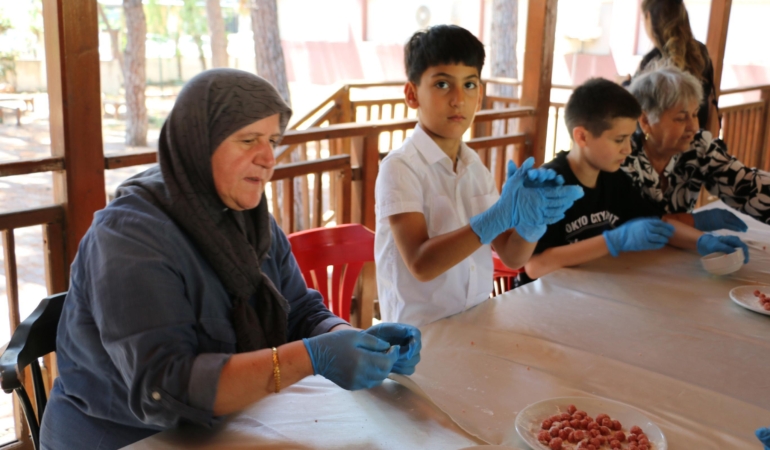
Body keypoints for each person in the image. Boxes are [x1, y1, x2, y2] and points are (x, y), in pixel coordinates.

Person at [40, 69, 422, 450]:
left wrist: (349, 339)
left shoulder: (250, 221)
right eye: (248, 140)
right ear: (197, 144)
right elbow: (166, 387)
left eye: (272, 139)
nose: (269, 157)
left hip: (223, 424)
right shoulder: (128, 237)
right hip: (121, 434)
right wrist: (310, 358)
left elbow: (299, 310)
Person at [374, 25, 583, 327]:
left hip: (477, 322)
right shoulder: (400, 166)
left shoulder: (474, 166)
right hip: (418, 337)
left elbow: (512, 257)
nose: (459, 99)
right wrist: (494, 218)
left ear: (480, 95)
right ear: (412, 94)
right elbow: (420, 263)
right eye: (443, 84)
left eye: (469, 85)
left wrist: (531, 225)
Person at [520, 78, 748, 283]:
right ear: (582, 136)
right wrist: (612, 241)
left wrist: (702, 242)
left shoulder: (614, 179)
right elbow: (534, 266)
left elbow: (657, 224)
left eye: (630, 138)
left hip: (588, 291)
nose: (628, 149)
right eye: (619, 139)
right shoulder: (548, 186)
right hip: (541, 301)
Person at [622, 66, 770, 227]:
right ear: (645, 120)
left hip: (677, 249)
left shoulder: (698, 147)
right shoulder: (623, 156)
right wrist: (694, 221)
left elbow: (745, 186)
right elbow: (631, 223)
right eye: (681, 118)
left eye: (694, 114)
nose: (693, 126)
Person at [624, 0, 717, 129]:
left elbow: (632, 105)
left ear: (649, 17)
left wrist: (625, 84)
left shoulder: (653, 60)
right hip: (696, 136)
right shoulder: (700, 52)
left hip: (664, 143)